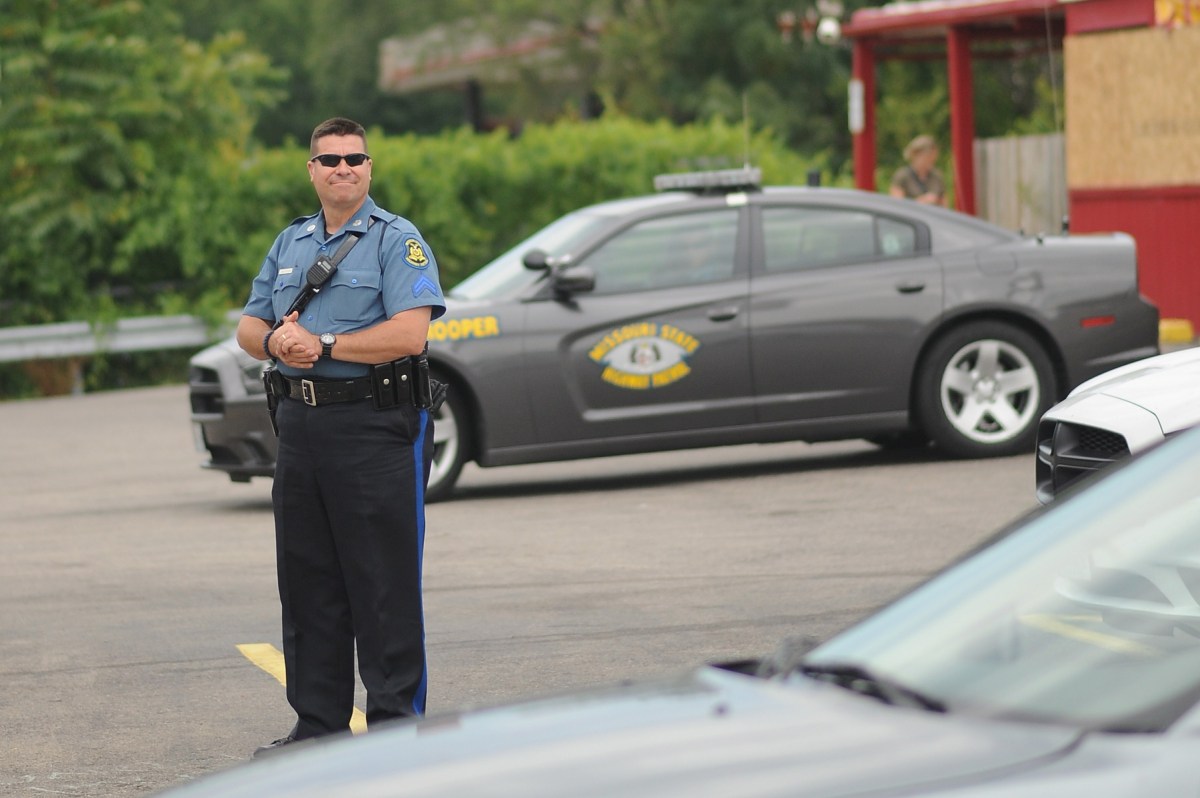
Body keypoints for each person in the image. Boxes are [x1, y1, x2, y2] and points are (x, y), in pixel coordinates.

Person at [235, 117, 446, 757]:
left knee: (382, 582)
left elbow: (411, 335)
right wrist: (276, 341)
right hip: (300, 425)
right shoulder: (291, 242)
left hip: (374, 427)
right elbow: (248, 327)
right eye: (330, 160)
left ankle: (393, 730)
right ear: (312, 171)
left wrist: (322, 342)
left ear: (369, 167)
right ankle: (319, 727)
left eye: (355, 158)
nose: (343, 168)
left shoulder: (397, 240)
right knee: (308, 583)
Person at [889, 134, 946, 206]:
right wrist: (920, 201)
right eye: (927, 157)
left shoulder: (937, 176)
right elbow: (896, 205)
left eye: (933, 157)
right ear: (915, 154)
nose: (931, 161)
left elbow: (944, 205)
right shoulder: (902, 176)